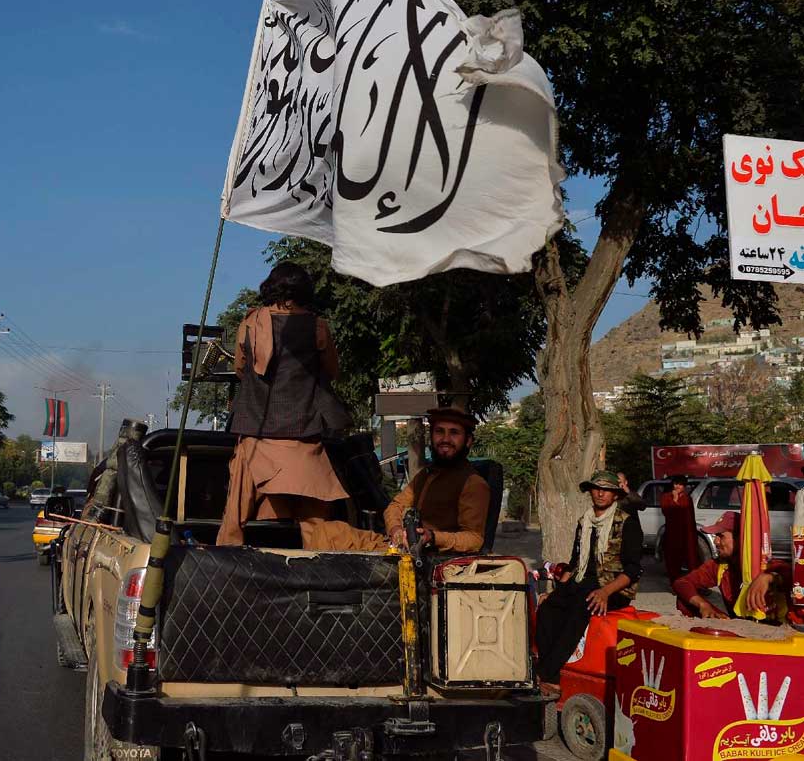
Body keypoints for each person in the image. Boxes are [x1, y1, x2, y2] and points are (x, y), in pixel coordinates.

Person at [215, 262, 351, 548]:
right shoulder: (318, 327)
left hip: (256, 436)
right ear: (305, 291)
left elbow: (241, 370)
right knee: (317, 530)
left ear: (271, 287)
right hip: (304, 439)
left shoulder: (250, 324)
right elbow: (331, 373)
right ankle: (322, 583)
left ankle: (223, 574)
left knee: (233, 522)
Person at [304, 407, 490, 554]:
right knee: (327, 531)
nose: (445, 439)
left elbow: (474, 539)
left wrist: (432, 537)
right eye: (439, 432)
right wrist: (395, 530)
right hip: (400, 547)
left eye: (454, 433)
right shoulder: (426, 475)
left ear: (468, 441)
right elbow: (395, 506)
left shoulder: (473, 483)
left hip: (431, 557)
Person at [534, 470, 643, 696]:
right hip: (583, 581)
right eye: (596, 488)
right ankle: (552, 676)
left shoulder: (627, 523)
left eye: (607, 490)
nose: (601, 493)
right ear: (590, 492)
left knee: (578, 610)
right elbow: (575, 564)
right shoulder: (585, 521)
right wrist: (555, 592)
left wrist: (605, 592)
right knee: (546, 609)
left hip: (614, 587)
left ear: (615, 495)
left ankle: (545, 674)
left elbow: (633, 570)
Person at [672, 511, 792, 620]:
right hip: (737, 625)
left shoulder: (764, 563)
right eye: (715, 536)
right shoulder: (719, 565)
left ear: (740, 538)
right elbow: (682, 583)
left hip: (773, 629)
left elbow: (793, 576)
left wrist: (769, 577)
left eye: (721, 536)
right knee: (685, 600)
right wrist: (703, 604)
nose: (715, 541)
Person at [660, 474, 700, 581]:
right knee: (673, 559)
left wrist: (693, 534)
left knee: (692, 559)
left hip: (687, 533)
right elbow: (667, 512)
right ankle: (674, 583)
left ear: (684, 486)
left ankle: (695, 583)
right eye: (676, 484)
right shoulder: (666, 497)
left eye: (681, 485)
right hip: (673, 533)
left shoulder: (688, 498)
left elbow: (691, 517)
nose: (678, 486)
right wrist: (675, 499)